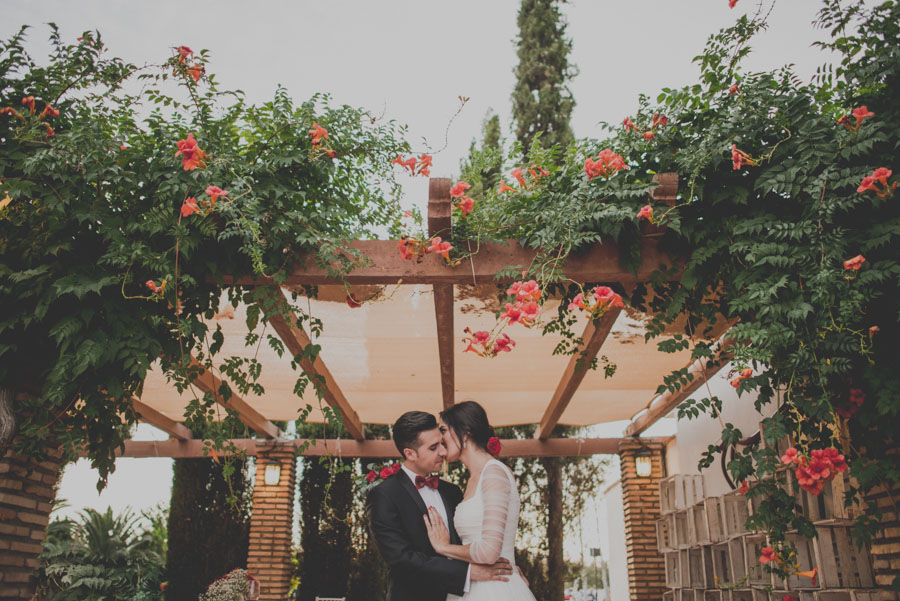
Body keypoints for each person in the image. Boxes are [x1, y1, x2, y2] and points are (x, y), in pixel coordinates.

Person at [367, 410, 514, 601]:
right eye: (434, 447)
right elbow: (402, 560)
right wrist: (469, 573)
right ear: (410, 454)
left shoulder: (452, 491)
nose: (443, 452)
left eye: (442, 444)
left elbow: (472, 538)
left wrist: (506, 570)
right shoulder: (384, 495)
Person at [423, 401, 538, 601]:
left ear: (465, 431)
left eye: (443, 430)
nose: (439, 439)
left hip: (496, 590)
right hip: (471, 586)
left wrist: (443, 547)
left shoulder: (493, 473)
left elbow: (489, 551)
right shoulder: (472, 480)